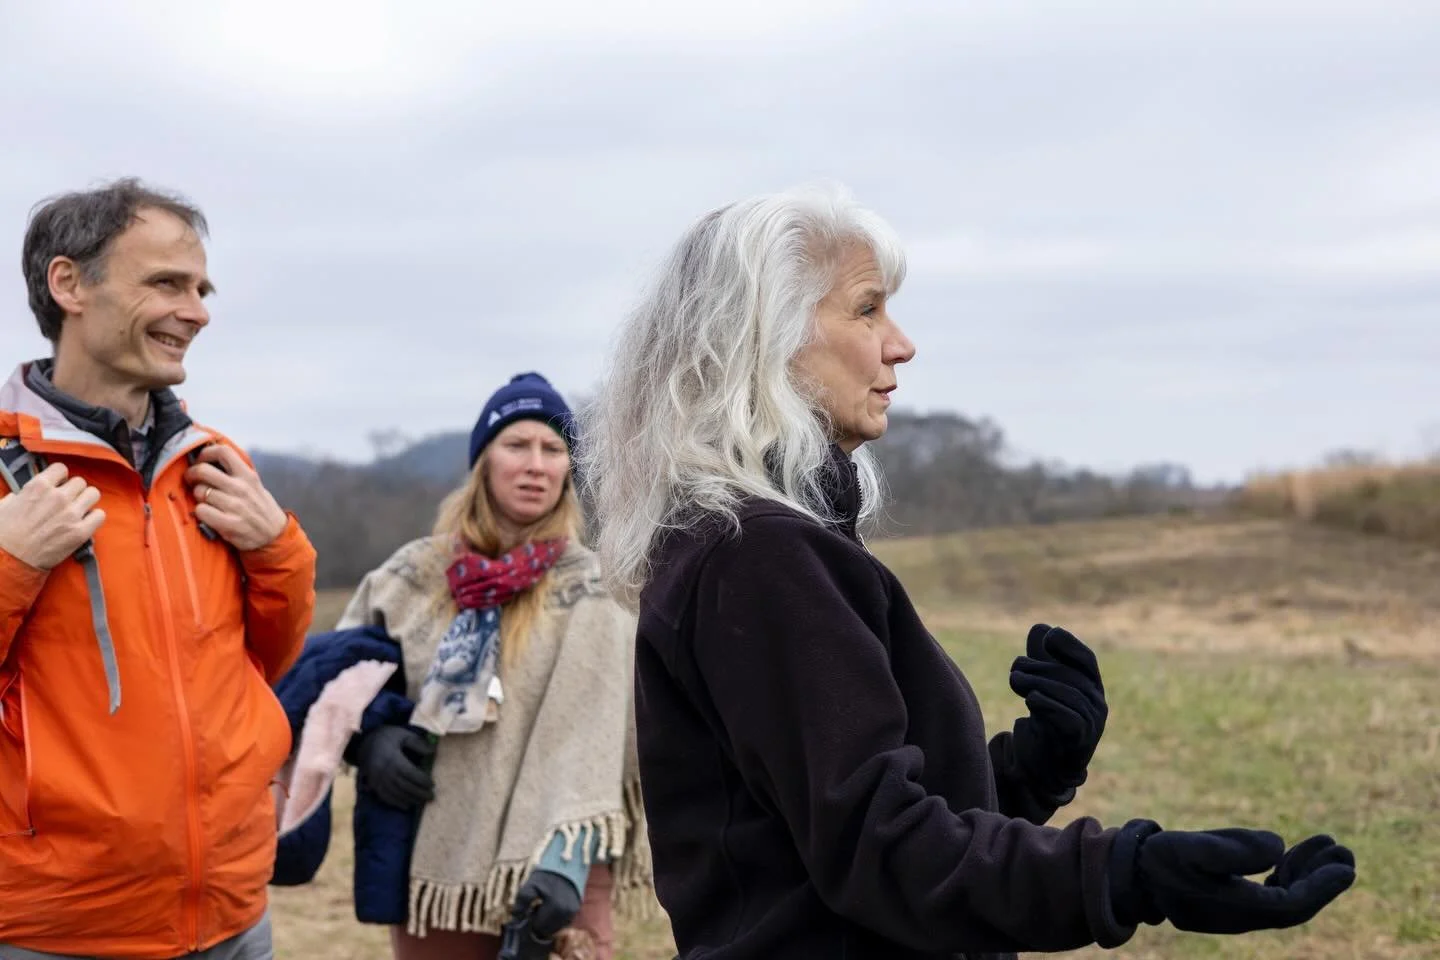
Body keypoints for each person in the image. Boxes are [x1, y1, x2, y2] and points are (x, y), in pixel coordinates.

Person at [579, 182, 1357, 960]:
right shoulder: (761, 557)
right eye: (866, 309)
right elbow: (884, 853)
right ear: (766, 336)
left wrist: (1031, 770)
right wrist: (1126, 872)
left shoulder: (755, 545)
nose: (901, 344)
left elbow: (829, 826)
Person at [0, 178, 317, 958]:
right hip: (61, 928)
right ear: (68, 284)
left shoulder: (215, 465)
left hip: (234, 911)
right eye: (167, 283)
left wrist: (277, 544)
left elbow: (265, 660)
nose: (199, 311)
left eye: (201, 288)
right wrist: (8, 563)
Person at [272, 372, 653, 960]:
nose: (536, 465)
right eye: (517, 445)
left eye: (553, 450)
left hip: (555, 872)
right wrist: (371, 740)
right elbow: (339, 676)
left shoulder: (594, 589)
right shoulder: (412, 575)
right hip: (436, 862)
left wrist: (565, 867)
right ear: (483, 461)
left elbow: (595, 740)